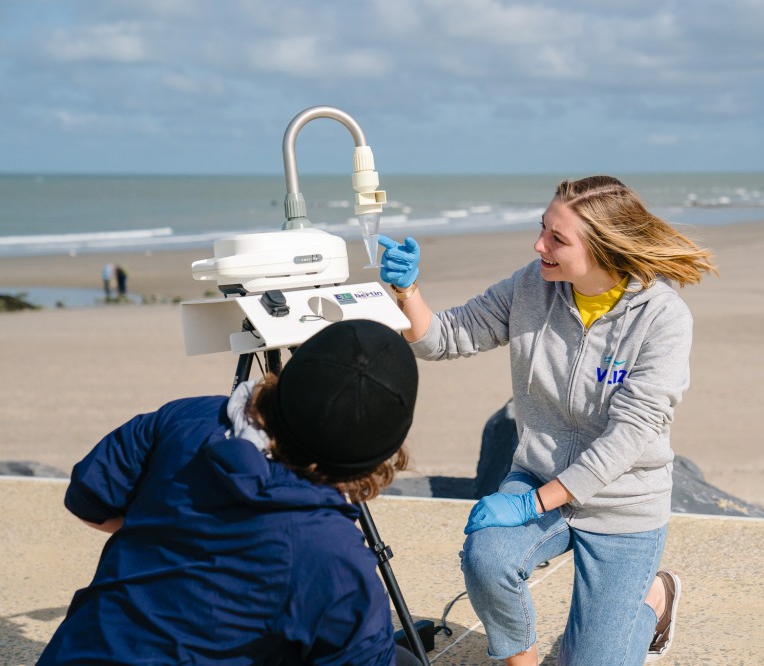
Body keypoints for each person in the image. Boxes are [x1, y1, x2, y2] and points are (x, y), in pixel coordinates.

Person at [378, 175, 716, 665]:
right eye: (543, 229)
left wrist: (532, 504)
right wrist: (407, 291)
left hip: (623, 503)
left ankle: (656, 599)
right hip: (539, 475)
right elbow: (444, 338)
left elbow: (631, 436)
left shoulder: (663, 318)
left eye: (558, 239)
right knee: (487, 557)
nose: (539, 245)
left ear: (604, 248)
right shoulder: (530, 286)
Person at [38, 319, 422, 665]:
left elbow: (88, 498)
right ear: (381, 454)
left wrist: (177, 545)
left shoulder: (186, 417)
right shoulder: (331, 552)